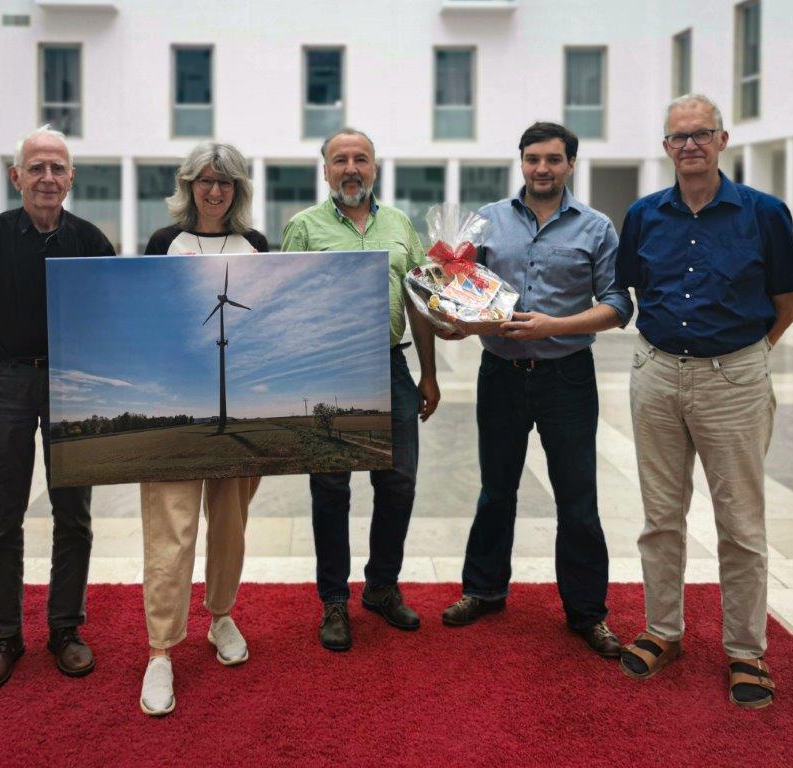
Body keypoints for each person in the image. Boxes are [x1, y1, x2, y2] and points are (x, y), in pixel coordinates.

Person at [614, 94, 793, 708]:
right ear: (666, 147)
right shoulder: (644, 215)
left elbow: (787, 304)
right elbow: (631, 293)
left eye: (702, 134)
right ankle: (662, 630)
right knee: (660, 518)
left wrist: (742, 363)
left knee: (741, 524)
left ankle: (745, 651)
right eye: (679, 137)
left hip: (734, 380)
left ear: (723, 141)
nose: (690, 145)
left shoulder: (764, 214)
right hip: (657, 375)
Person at [436, 122, 632, 657]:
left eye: (552, 159)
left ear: (570, 164)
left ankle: (587, 613)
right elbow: (462, 294)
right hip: (500, 373)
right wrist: (452, 314)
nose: (541, 168)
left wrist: (554, 326)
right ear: (520, 162)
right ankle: (483, 590)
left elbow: (618, 305)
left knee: (578, 499)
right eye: (531, 159)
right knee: (496, 491)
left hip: (567, 376)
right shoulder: (489, 222)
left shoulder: (595, 228)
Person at [0, 125, 115, 693]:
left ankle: (65, 629)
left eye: (57, 168)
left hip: (72, 387)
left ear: (71, 179)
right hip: (3, 384)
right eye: (35, 167)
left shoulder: (92, 241)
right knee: (3, 517)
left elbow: (115, 320)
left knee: (75, 516)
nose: (47, 178)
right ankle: (4, 636)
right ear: (16, 176)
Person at [281, 127, 440, 652]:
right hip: (329, 370)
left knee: (399, 485)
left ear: (375, 168)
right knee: (331, 489)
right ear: (325, 170)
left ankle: (381, 586)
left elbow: (420, 301)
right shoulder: (303, 228)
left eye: (362, 159)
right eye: (340, 159)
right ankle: (333, 601)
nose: (352, 168)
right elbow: (286, 307)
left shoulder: (400, 226)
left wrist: (429, 374)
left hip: (391, 367)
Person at [137, 142, 268, 716]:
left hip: (239, 400)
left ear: (238, 190)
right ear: (188, 185)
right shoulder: (163, 244)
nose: (215, 191)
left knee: (231, 523)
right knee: (172, 527)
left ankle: (220, 617)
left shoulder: (257, 247)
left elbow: (262, 325)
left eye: (226, 183)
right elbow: (152, 321)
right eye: (205, 181)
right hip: (176, 404)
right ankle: (160, 650)